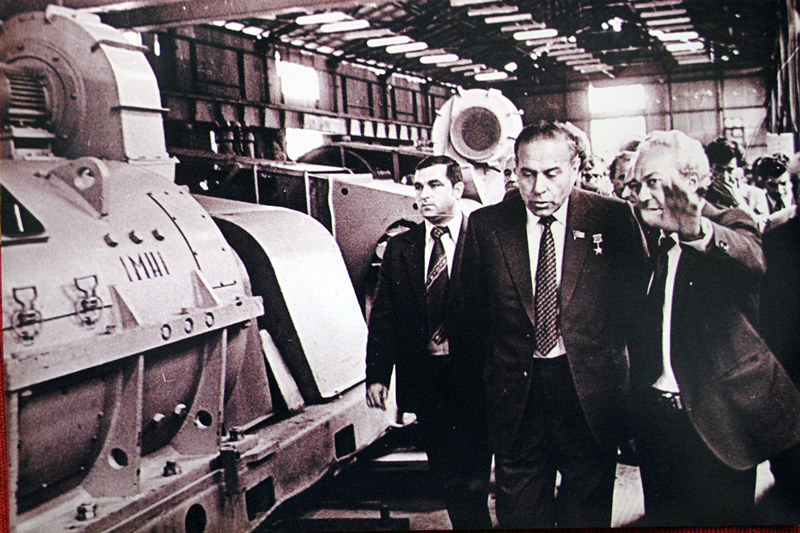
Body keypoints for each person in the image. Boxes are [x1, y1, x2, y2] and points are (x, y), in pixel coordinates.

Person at [459, 121, 648, 528]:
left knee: (587, 513)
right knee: (521, 515)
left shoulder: (613, 219)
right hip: (516, 399)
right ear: (514, 170)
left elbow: (638, 317)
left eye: (552, 173)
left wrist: (634, 408)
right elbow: (469, 323)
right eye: (527, 174)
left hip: (589, 397)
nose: (538, 188)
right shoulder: (486, 226)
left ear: (575, 168)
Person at [627, 130, 800, 526]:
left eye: (653, 182)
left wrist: (696, 230)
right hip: (658, 423)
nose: (641, 195)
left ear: (691, 181)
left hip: (719, 424)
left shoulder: (730, 222)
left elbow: (750, 258)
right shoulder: (649, 236)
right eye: (637, 185)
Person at [365, 155, 492, 529]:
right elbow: (385, 316)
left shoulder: (484, 240)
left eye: (435, 185)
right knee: (448, 478)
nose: (423, 195)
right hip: (428, 381)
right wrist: (378, 375)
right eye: (419, 187)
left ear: (457, 189)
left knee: (474, 478)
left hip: (478, 380)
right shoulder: (401, 247)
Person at [703, 138, 768, 229]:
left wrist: (738, 201)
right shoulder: (703, 196)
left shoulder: (755, 195)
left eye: (730, 170)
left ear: (740, 169)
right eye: (719, 169)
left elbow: (763, 228)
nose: (725, 177)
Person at [758, 153, 797, 230]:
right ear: (763, 184)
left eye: (783, 184)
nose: (779, 191)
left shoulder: (796, 207)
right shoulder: (756, 206)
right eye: (773, 185)